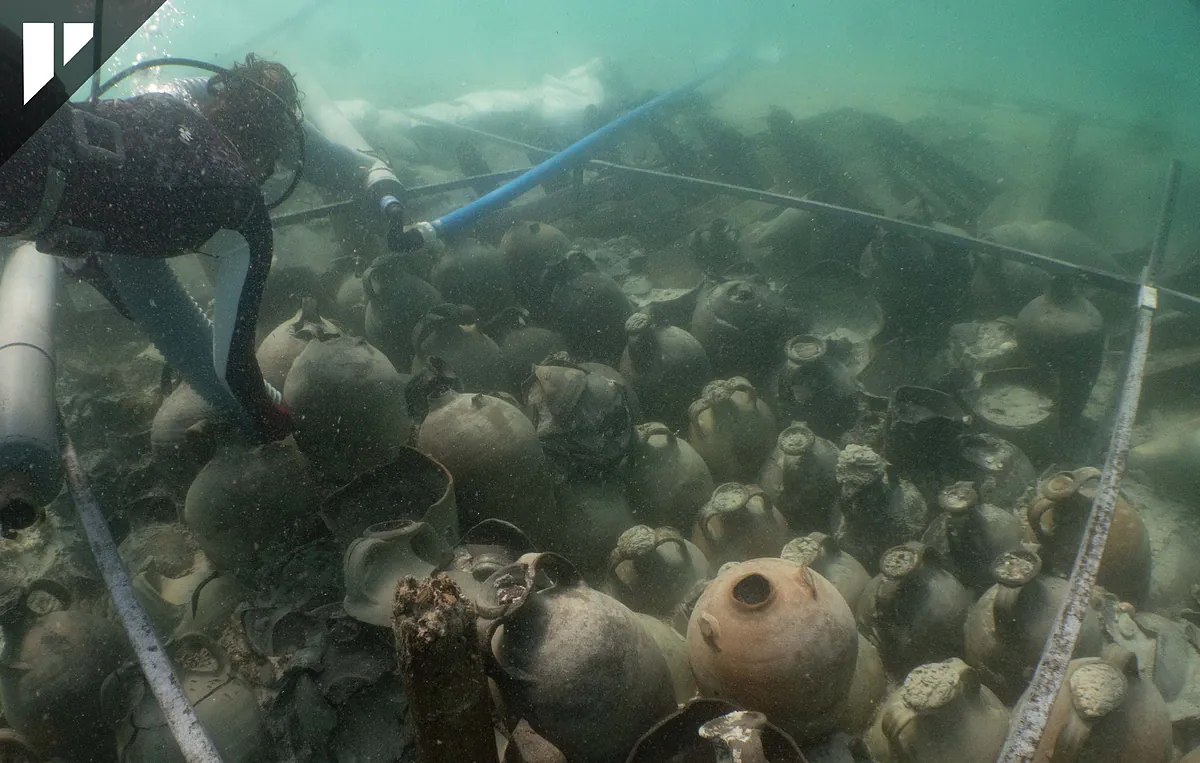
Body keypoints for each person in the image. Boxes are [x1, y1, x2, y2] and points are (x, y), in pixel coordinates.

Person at [0, 25, 401, 442]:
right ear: (267, 150)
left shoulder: (163, 104)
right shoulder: (241, 204)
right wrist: (268, 417)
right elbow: (225, 361)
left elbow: (144, 291)